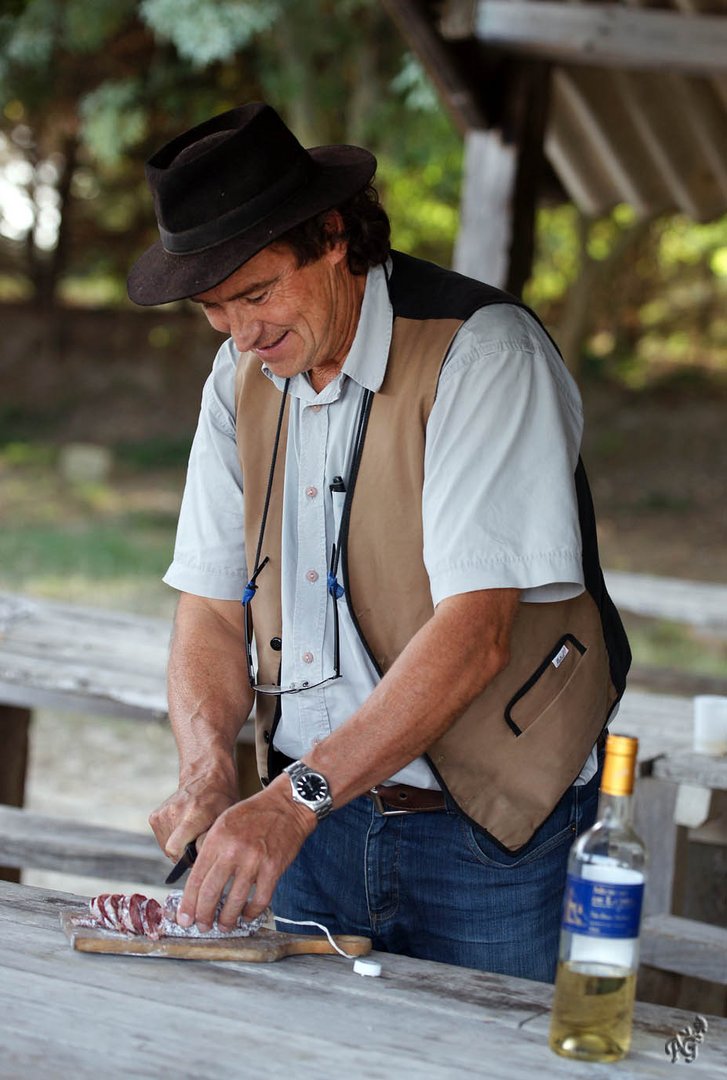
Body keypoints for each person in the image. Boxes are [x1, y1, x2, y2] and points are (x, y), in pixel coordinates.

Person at [128, 102, 631, 982]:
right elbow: (210, 604)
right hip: (309, 826)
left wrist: (291, 802)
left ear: (332, 237)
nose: (242, 333)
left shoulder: (482, 354)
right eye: (215, 307)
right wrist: (209, 769)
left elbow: (474, 632)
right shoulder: (239, 374)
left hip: (484, 832)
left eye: (256, 292)